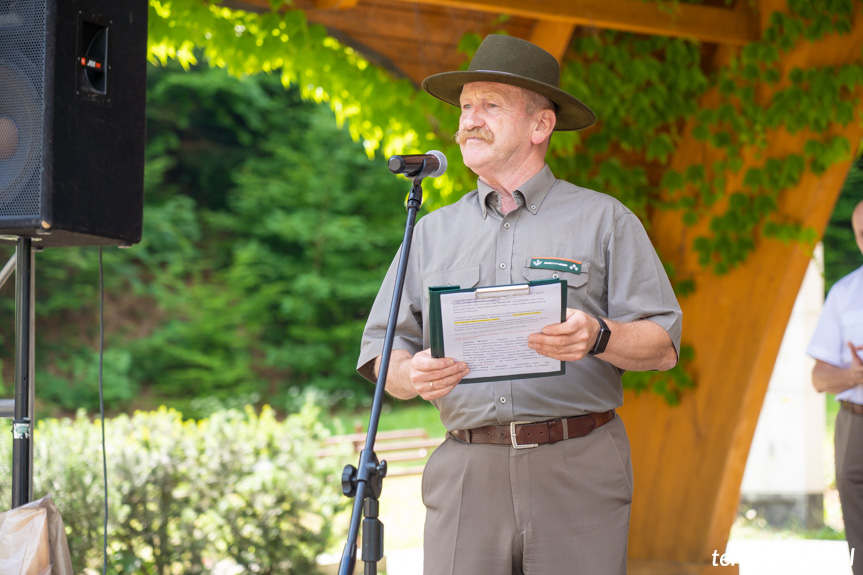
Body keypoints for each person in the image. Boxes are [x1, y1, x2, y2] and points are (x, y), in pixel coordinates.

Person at [357, 34, 683, 575]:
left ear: (540, 126)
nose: (468, 121)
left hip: (578, 468)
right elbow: (381, 354)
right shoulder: (430, 231)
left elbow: (664, 345)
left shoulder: (606, 220)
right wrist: (413, 373)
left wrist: (598, 335)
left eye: (490, 105)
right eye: (464, 107)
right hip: (466, 472)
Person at [808, 199, 863, 572]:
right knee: (858, 536)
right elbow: (818, 378)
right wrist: (853, 376)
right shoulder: (844, 294)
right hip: (855, 425)